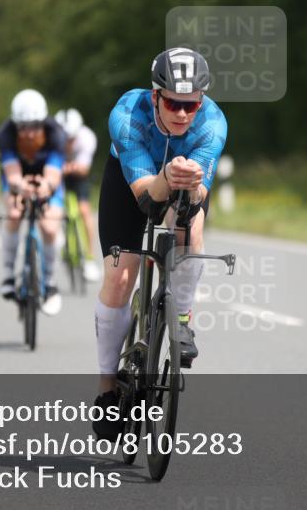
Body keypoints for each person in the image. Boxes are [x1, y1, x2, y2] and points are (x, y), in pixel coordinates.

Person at [91, 47, 227, 439]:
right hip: (131, 183)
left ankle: (181, 319)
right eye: (172, 103)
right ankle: (106, 390)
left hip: (182, 182)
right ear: (155, 96)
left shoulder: (213, 124)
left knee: (191, 228)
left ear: (201, 101)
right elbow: (147, 201)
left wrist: (192, 189)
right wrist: (167, 176)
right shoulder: (127, 116)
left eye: (191, 105)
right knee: (119, 279)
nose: (182, 114)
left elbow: (197, 198)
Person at [0, 89, 66, 315]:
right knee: (15, 214)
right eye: (22, 127)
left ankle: (50, 281)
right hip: (18, 178)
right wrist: (21, 187)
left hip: (47, 179)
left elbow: (54, 175)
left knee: (49, 226)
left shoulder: (56, 133)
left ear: (43, 122)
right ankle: (8, 274)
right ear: (15, 124)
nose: (28, 133)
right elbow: (12, 173)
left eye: (34, 126)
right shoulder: (5, 134)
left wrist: (46, 187)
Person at [54, 108, 101, 282]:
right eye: (64, 139)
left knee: (84, 210)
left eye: (71, 139)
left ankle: (89, 258)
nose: (68, 143)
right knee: (53, 209)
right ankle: (57, 238)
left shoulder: (87, 138)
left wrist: (67, 168)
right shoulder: (51, 137)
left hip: (78, 176)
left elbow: (83, 169)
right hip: (57, 175)